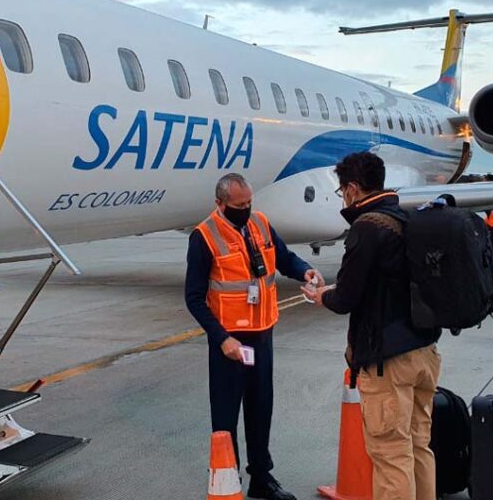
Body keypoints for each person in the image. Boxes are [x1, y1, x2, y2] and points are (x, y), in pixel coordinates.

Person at [303, 152, 441, 500]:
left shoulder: (367, 228)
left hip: (388, 360)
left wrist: (322, 296)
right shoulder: (405, 217)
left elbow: (346, 298)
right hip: (424, 350)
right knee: (419, 446)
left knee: (391, 455)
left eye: (341, 191)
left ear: (352, 188)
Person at [185, 173, 323, 500]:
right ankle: (226, 479)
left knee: (261, 410)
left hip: (262, 336)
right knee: (226, 415)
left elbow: (284, 257)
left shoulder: (259, 223)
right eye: (238, 205)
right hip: (230, 342)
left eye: (248, 203)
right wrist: (221, 338)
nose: (245, 209)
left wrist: (304, 269)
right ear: (220, 204)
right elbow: (193, 297)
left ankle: (261, 477)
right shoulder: (204, 237)